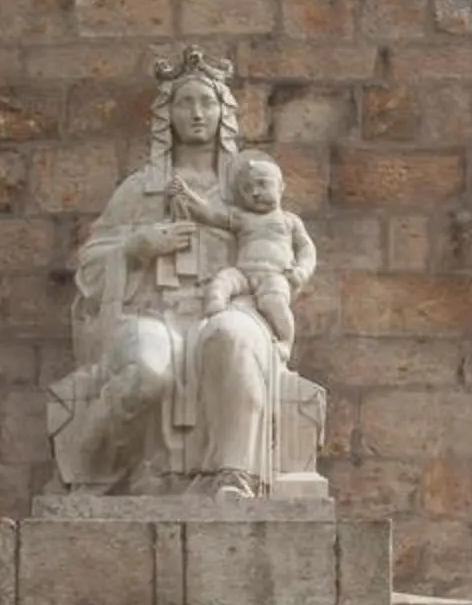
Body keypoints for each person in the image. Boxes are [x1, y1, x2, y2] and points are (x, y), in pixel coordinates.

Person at [48, 47, 319, 498]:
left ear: (222, 112)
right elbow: (93, 263)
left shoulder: (249, 186)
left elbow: (284, 245)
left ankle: (233, 477)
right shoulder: (140, 188)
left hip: (233, 305)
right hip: (153, 312)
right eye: (185, 103)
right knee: (149, 374)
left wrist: (284, 277)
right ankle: (88, 469)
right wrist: (136, 247)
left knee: (234, 341)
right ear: (167, 114)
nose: (197, 113)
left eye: (207, 102)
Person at [179, 150, 317, 357]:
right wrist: (187, 195)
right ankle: (214, 311)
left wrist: (301, 272)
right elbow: (210, 215)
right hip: (243, 273)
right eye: (247, 189)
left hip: (274, 275)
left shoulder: (289, 221)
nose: (254, 192)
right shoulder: (242, 218)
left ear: (281, 187)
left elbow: (307, 249)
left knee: (274, 304)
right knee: (221, 281)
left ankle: (285, 342)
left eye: (262, 184)